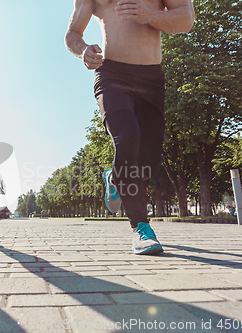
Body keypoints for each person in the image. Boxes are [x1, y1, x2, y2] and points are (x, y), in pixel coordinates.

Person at [65, 0, 194, 254]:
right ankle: (141, 228)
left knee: (146, 163)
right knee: (127, 137)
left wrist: (149, 14)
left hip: (151, 78)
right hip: (111, 75)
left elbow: (186, 19)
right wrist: (83, 51)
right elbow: (72, 34)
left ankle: (114, 178)